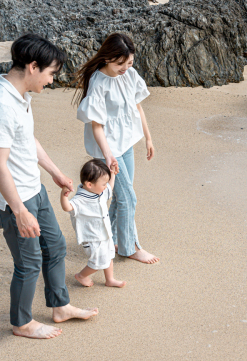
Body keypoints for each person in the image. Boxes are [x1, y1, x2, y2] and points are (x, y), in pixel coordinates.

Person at [0, 33, 98, 340]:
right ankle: (21, 323)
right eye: (51, 73)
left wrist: (55, 173)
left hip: (35, 190)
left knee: (56, 247)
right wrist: (19, 211)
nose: (52, 80)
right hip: (13, 201)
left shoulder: (21, 96)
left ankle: (60, 306)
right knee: (29, 263)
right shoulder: (0, 105)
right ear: (33, 67)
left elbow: (27, 141)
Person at [74, 33, 159, 265]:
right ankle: (130, 247)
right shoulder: (98, 82)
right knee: (128, 198)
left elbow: (138, 108)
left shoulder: (130, 75)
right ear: (107, 59)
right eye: (120, 63)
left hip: (127, 141)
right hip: (108, 147)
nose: (125, 68)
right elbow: (97, 125)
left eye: (129, 62)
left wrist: (148, 139)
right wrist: (108, 155)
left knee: (122, 197)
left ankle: (108, 239)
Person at [60, 159, 125, 288]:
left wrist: (112, 174)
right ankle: (81, 275)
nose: (105, 186)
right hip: (92, 238)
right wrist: (64, 196)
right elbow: (67, 207)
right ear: (89, 184)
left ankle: (110, 279)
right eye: (103, 183)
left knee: (109, 255)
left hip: (105, 233)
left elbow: (110, 188)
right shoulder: (80, 200)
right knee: (98, 262)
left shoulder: (99, 192)